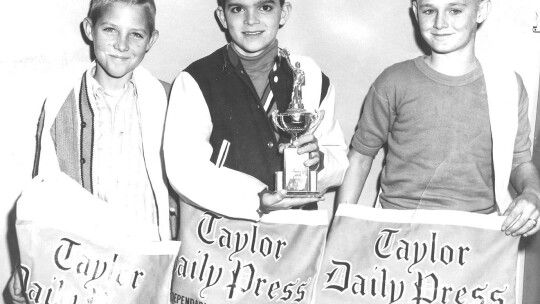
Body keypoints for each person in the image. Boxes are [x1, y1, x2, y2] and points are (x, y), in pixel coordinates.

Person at [8, 0, 173, 302]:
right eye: (110, 29)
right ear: (89, 29)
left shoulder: (168, 100)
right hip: (81, 267)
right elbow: (45, 193)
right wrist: (27, 264)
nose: (121, 45)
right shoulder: (60, 102)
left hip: (144, 265)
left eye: (135, 34)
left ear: (151, 39)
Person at [337, 0, 540, 238]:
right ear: (415, 11)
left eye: (455, 10)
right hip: (396, 234)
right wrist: (341, 229)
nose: (440, 23)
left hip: (474, 237)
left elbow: (519, 162)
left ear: (481, 10)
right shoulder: (393, 81)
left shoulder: (506, 86)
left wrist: (533, 194)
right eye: (429, 10)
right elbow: (360, 157)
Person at [164, 0, 348, 220]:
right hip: (224, 236)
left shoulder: (309, 75)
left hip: (297, 233)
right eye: (238, 9)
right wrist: (256, 199)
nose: (251, 20)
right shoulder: (196, 80)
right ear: (223, 17)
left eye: (265, 7)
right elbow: (185, 169)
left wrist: (318, 162)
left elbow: (338, 160)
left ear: (284, 13)